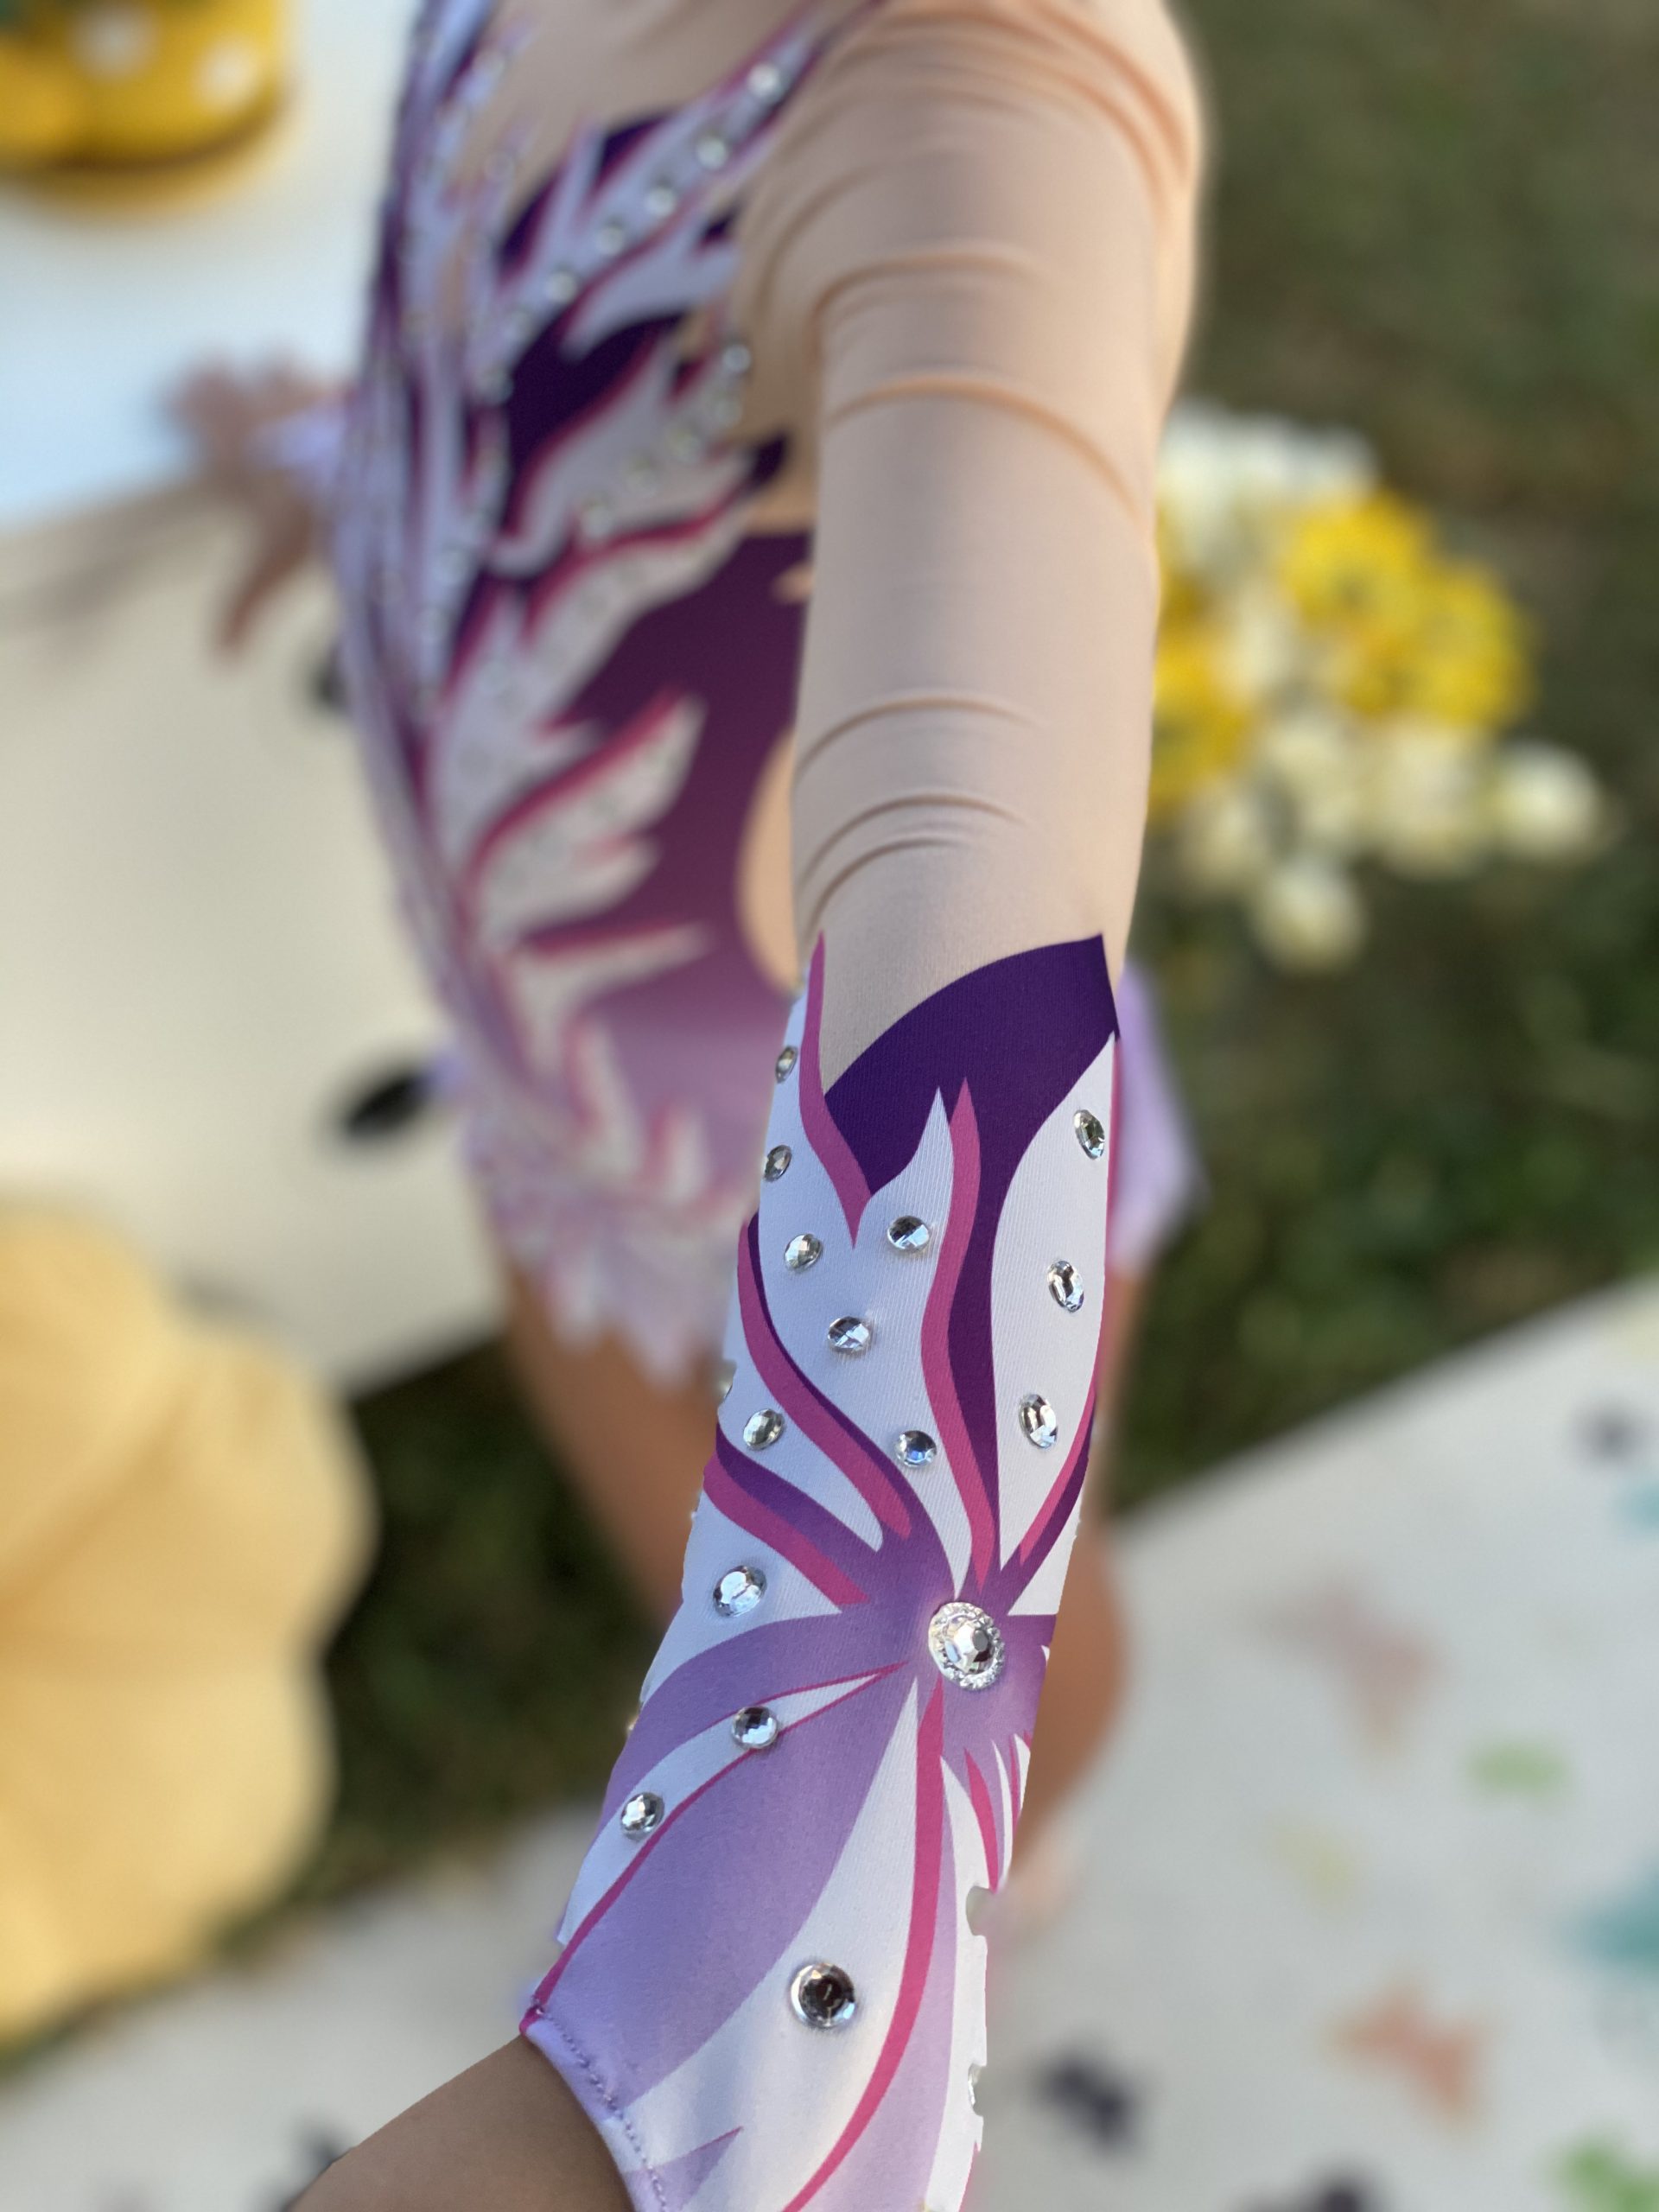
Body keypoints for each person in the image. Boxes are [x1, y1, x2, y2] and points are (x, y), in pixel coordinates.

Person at [186, 0, 1204, 2202]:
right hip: (551, 1107)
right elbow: (574, 337)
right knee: (655, 1552)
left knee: (987, 1651)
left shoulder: (979, 106)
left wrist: (721, 2063)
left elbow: (975, 879)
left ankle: (985, 1875)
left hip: (835, 1218)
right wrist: (371, 465)